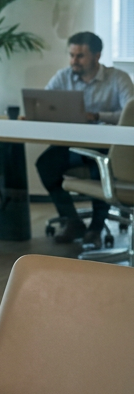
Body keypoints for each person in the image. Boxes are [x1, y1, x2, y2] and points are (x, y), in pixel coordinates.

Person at [37, 31, 134, 245]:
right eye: (71, 55)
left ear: (97, 56)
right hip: (71, 145)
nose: (74, 61)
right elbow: (45, 102)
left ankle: (96, 228)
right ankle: (72, 221)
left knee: (100, 170)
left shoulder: (118, 78)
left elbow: (131, 112)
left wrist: (98, 116)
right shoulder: (63, 76)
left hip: (105, 146)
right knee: (45, 165)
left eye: (80, 56)